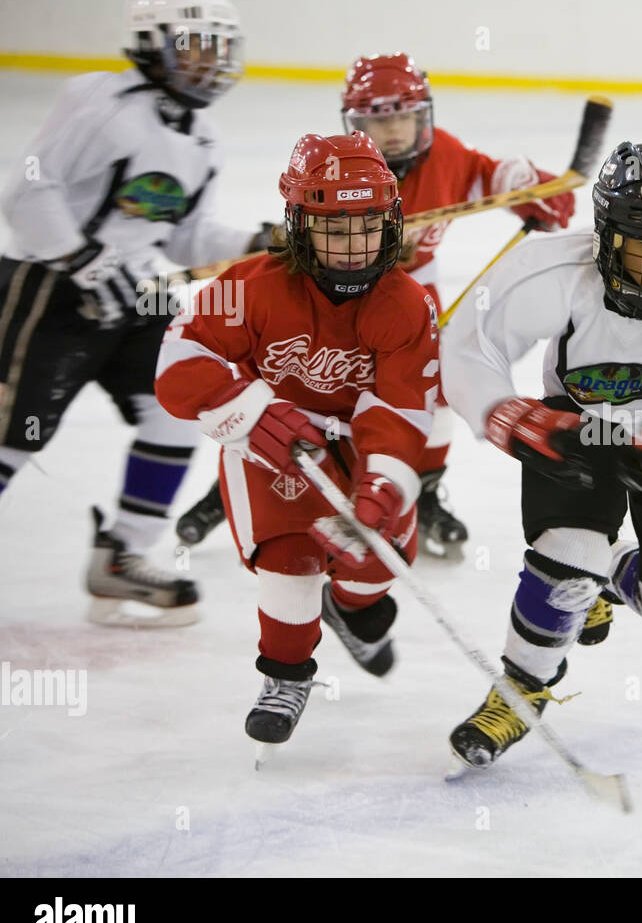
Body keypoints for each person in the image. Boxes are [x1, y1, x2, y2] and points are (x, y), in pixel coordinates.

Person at [438, 141, 642, 770]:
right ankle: (524, 687)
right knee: (568, 553)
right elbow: (467, 345)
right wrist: (507, 416)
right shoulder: (551, 271)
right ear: (606, 233)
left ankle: (612, 573)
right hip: (578, 425)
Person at [175, 52, 576, 560]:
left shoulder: (446, 155)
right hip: (326, 296)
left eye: (402, 116)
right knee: (295, 389)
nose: (391, 131)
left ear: (423, 115)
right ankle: (238, 483)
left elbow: (492, 175)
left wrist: (532, 186)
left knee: (433, 390)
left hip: (406, 299)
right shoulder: (344, 166)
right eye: (375, 120)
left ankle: (422, 492)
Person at [0, 0, 271, 627]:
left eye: (220, 48)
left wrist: (260, 241)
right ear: (151, 45)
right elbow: (26, 196)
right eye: (195, 46)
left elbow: (184, 239)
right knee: (6, 438)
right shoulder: (100, 101)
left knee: (178, 404)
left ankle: (123, 556)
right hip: (48, 290)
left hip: (138, 293)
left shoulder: (201, 138)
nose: (211, 61)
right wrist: (84, 260)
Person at [155, 132, 441, 741]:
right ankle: (286, 674)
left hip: (361, 446)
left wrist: (383, 483)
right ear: (298, 224)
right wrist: (253, 412)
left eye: (366, 226)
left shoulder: (408, 303)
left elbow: (401, 406)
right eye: (332, 229)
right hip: (267, 448)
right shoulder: (250, 285)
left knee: (374, 562)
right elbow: (179, 359)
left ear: (390, 223)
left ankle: (352, 605)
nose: (352, 246)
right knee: (289, 563)